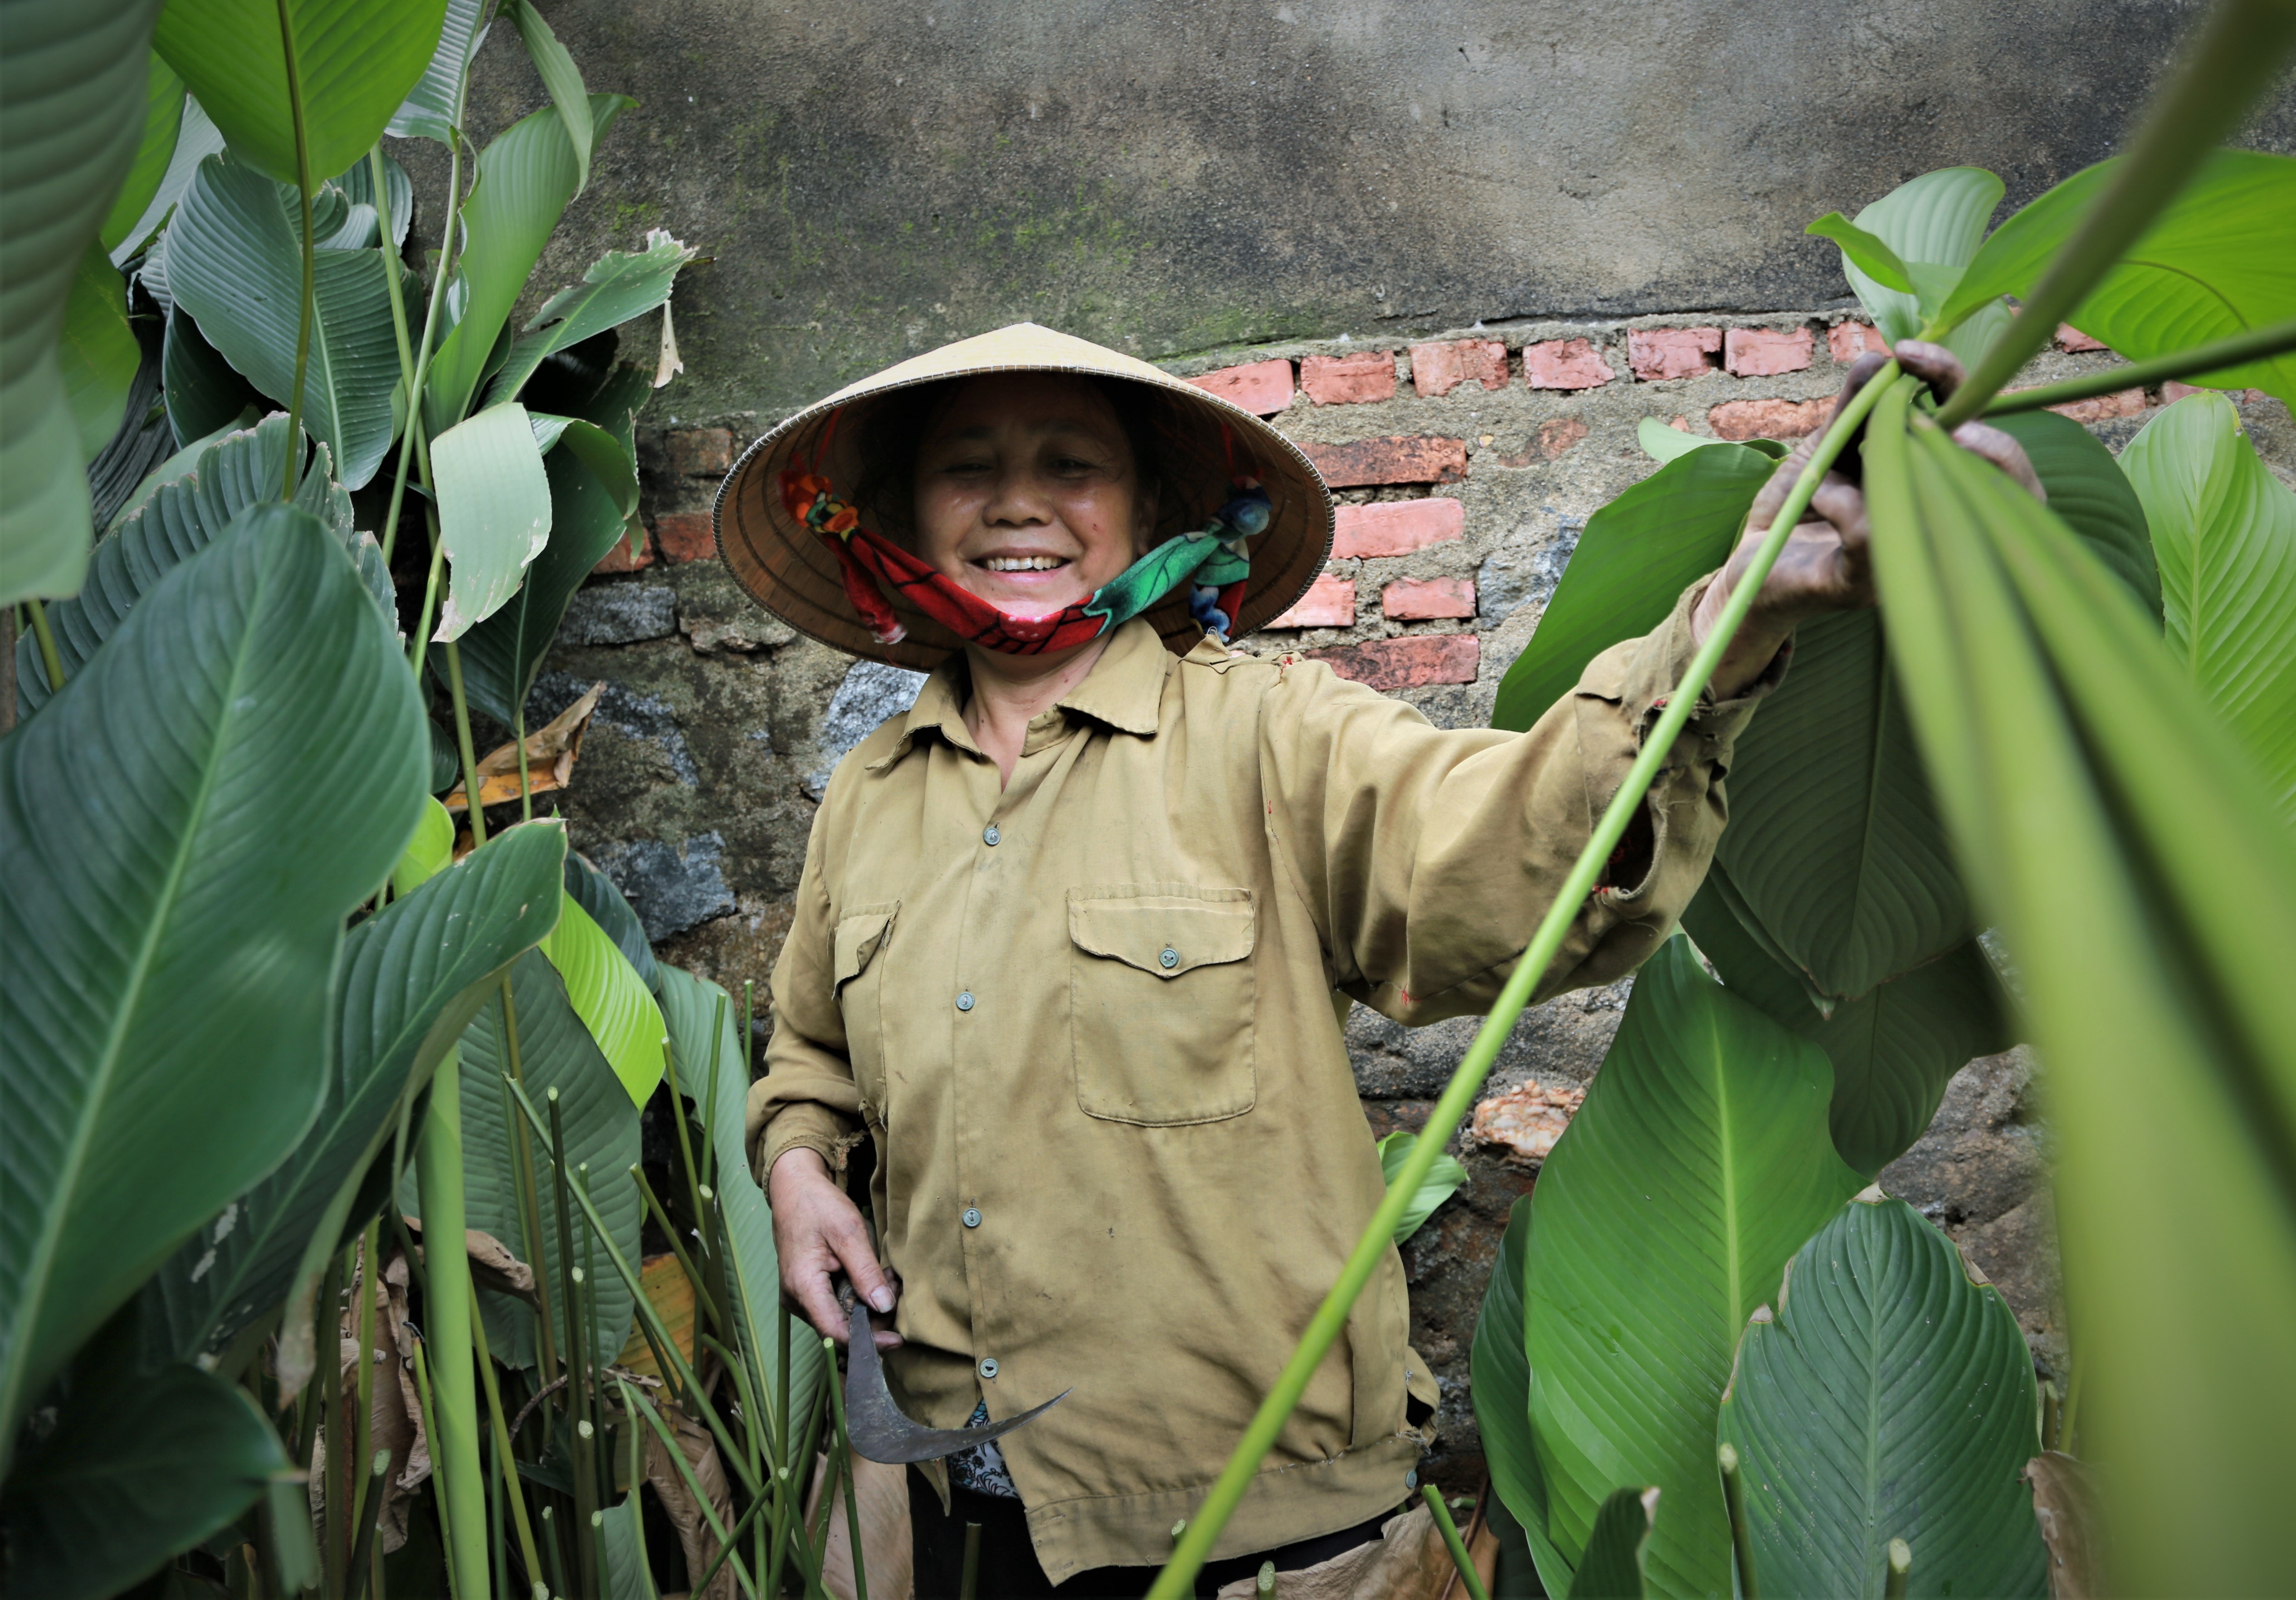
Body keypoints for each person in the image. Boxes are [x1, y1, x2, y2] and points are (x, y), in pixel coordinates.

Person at [712, 323, 2034, 1596]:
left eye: (1071, 465)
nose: (1019, 507)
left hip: (1260, 1531)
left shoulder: (1276, 738)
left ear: (1147, 506)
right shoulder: (869, 797)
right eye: (968, 468)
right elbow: (811, 1053)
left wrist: (1731, 622)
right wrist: (794, 1165)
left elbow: (1511, 847)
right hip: (962, 1516)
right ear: (903, 512)